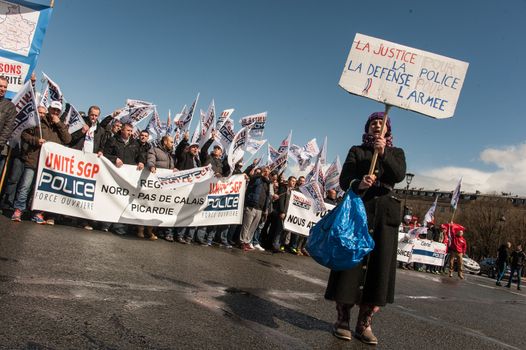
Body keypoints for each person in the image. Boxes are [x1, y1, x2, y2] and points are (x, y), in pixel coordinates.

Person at [324, 111, 406, 345]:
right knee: (351, 264)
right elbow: (344, 179)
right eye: (373, 123)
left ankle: (364, 323)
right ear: (367, 127)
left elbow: (398, 175)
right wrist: (358, 183)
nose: (377, 126)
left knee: (377, 268)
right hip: (359, 210)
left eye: (381, 123)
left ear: (387, 129)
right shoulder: (356, 150)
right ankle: (342, 320)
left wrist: (384, 153)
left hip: (383, 217)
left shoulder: (396, 153)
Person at [11, 102, 72, 224]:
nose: (55, 112)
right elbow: (24, 134)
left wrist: (59, 124)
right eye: (53, 109)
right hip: (33, 159)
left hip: (48, 165)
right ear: (49, 109)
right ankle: (18, 210)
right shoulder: (38, 120)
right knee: (25, 186)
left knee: (41, 190)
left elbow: (68, 139)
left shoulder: (61, 125)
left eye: (57, 111)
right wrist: (36, 140)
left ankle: (37, 213)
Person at [147, 135, 177, 241]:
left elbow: (170, 167)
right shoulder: (154, 150)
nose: (173, 144)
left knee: (158, 208)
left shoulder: (170, 155)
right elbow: (151, 159)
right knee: (150, 207)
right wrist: (151, 166)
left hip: (164, 187)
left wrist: (174, 170)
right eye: (171, 142)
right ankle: (145, 231)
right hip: (155, 184)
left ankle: (151, 230)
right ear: (165, 142)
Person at [0, 76, 16, 173]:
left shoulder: (10, 107)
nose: (2, 89)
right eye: (0, 86)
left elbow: (8, 128)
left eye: (5, 87)